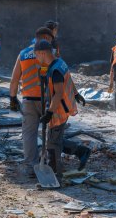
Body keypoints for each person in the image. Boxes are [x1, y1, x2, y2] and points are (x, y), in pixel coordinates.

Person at [10, 28, 90, 177]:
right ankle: (62, 160)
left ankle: (33, 165)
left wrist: (13, 98)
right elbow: (63, 76)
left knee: (31, 134)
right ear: (46, 39)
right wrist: (76, 93)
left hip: (37, 100)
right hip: (48, 99)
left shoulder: (23, 54)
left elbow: (15, 79)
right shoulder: (51, 56)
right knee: (53, 135)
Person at [35, 39, 90, 182]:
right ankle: (81, 151)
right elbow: (70, 80)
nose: (36, 58)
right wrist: (77, 94)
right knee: (55, 139)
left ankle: (55, 175)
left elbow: (58, 93)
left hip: (59, 110)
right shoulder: (60, 62)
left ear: (42, 53)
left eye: (37, 55)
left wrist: (49, 113)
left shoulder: (55, 71)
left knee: (52, 145)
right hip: (66, 107)